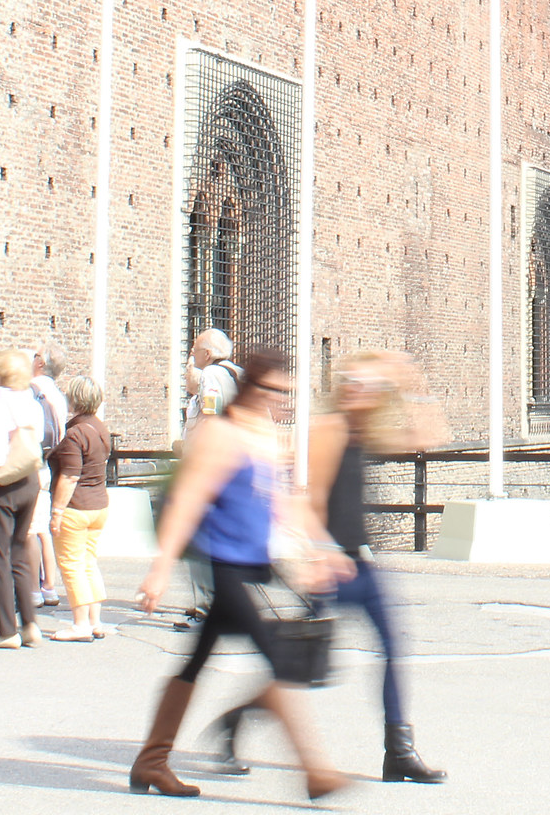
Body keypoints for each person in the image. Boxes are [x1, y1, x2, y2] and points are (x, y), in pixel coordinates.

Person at [132, 349, 345, 800]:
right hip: (223, 565)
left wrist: (315, 553)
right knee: (278, 660)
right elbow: (188, 501)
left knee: (195, 661)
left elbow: (283, 503)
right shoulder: (220, 435)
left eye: (289, 393)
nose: (285, 400)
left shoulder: (265, 433)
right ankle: (316, 771)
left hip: (253, 564)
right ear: (253, 387)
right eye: (276, 391)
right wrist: (160, 568)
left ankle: (151, 761)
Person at [278, 352, 447, 784]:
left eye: (367, 385)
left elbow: (430, 436)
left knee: (391, 647)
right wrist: (321, 555)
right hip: (332, 563)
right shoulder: (329, 429)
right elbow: (306, 501)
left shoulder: (360, 431)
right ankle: (238, 721)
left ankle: (399, 753)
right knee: (300, 662)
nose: (358, 389)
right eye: (351, 382)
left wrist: (411, 386)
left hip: (360, 565)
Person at [0, 349, 48, 648]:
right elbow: (40, 438)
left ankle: (6, 630)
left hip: (3, 481)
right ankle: (30, 624)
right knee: (20, 550)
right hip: (29, 478)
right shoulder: (31, 401)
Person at [177, 328, 239, 628]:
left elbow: (210, 416)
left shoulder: (212, 376)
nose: (191, 354)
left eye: (194, 350)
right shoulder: (235, 375)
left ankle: (207, 604)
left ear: (207, 353)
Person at [48, 375, 114, 641]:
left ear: (73, 399)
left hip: (76, 507)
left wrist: (56, 511)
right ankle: (95, 621)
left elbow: (70, 476)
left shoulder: (75, 433)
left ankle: (79, 624)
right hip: (99, 504)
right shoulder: (101, 428)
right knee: (88, 563)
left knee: (71, 565)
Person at [30, 343, 71, 611]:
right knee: (42, 528)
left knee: (30, 530)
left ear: (41, 363)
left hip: (29, 464)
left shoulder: (32, 390)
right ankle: (49, 586)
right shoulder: (58, 394)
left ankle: (33, 588)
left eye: (34, 355)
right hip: (47, 464)